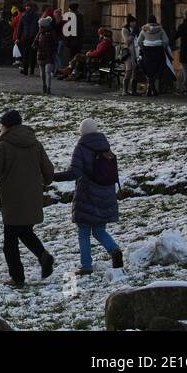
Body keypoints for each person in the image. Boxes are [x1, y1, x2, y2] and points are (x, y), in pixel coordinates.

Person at [0, 110, 56, 287]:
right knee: (25, 231)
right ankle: (43, 255)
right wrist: (47, 181)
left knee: (10, 242)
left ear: (6, 126)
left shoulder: (3, 147)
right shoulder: (35, 144)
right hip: (32, 196)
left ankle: (17, 278)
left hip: (12, 199)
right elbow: (48, 169)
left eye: (1, 125)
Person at [52, 118, 124, 275]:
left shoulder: (82, 147)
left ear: (82, 132)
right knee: (99, 230)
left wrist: (52, 176)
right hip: (106, 194)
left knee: (84, 231)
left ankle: (86, 265)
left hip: (88, 195)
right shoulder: (105, 146)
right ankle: (114, 250)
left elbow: (74, 173)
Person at [137, 16, 171, 97]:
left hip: (147, 52)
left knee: (148, 71)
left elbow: (139, 41)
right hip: (158, 52)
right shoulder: (160, 29)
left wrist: (143, 48)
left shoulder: (144, 30)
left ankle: (150, 89)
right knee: (156, 70)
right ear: (155, 21)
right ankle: (152, 89)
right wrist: (162, 46)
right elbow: (166, 41)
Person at [36, 15, 58, 93]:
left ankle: (48, 88)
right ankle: (44, 85)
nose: (38, 25)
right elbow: (35, 43)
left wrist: (54, 51)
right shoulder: (40, 32)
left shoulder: (51, 32)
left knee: (47, 72)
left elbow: (55, 43)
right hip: (41, 53)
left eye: (39, 24)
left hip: (48, 54)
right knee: (43, 72)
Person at [17, 3, 39, 76]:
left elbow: (20, 27)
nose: (27, 8)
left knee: (26, 54)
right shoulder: (35, 16)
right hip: (32, 37)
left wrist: (18, 37)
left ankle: (26, 70)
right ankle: (31, 70)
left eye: (27, 6)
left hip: (27, 37)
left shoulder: (23, 16)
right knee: (32, 54)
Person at [120, 15, 139, 96]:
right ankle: (125, 90)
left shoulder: (136, 29)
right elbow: (127, 41)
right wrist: (133, 34)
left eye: (135, 22)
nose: (134, 23)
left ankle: (133, 90)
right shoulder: (125, 30)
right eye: (133, 22)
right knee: (128, 71)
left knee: (135, 72)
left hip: (136, 52)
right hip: (129, 53)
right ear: (129, 22)